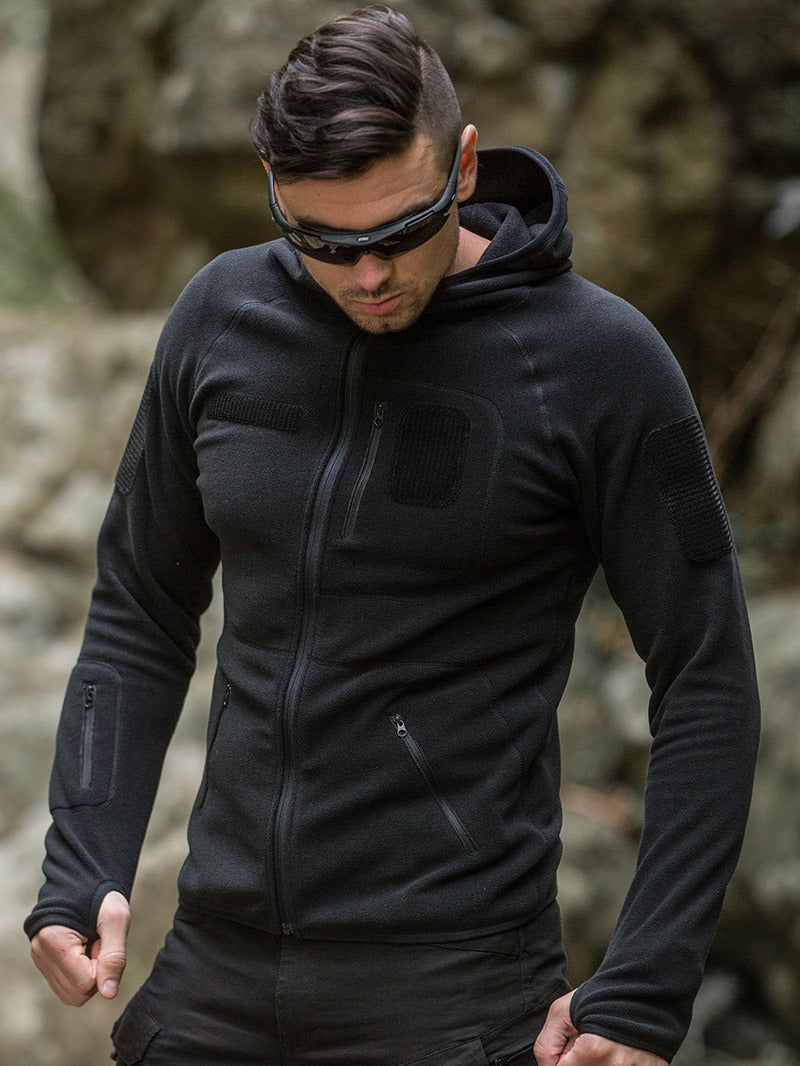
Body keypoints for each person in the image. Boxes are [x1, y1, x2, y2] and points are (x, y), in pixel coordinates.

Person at [26, 6, 760, 1065]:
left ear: (463, 166)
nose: (367, 275)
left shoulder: (603, 363)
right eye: (325, 242)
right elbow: (141, 607)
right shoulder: (221, 317)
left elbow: (705, 677)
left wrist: (644, 987)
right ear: (272, 189)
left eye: (398, 232)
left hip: (454, 990)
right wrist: (81, 863)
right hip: (212, 975)